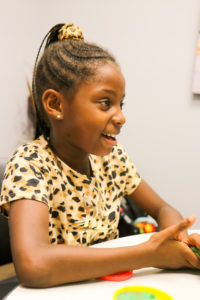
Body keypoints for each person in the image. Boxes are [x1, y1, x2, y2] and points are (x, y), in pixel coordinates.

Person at [0, 23, 200, 288]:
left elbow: (163, 208)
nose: (121, 117)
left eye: (121, 103)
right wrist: (149, 253)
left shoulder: (113, 159)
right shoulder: (29, 165)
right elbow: (34, 264)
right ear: (56, 104)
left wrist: (176, 239)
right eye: (105, 103)